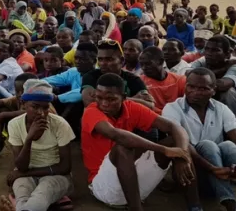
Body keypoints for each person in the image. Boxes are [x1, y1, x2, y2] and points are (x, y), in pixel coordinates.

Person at [82, 73, 197, 210]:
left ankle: (196, 206)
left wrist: (182, 154)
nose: (104, 104)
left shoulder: (131, 107)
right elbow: (116, 135)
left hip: (133, 185)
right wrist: (164, 150)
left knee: (177, 142)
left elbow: (174, 127)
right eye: (99, 98)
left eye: (111, 99)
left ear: (124, 98)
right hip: (104, 188)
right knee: (122, 148)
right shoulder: (91, 111)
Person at [163, 68, 236, 211]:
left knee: (229, 145)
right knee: (208, 145)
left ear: (213, 90)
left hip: (222, 173)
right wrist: (213, 168)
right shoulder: (172, 108)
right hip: (192, 175)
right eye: (191, 86)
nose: (195, 91)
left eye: (203, 88)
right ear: (185, 86)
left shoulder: (221, 108)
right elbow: (181, 143)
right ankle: (231, 204)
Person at [1, 79, 75, 211]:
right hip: (26, 174)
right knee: (23, 192)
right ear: (23, 104)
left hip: (56, 176)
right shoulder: (14, 124)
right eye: (35, 107)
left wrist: (23, 174)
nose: (41, 112)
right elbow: (21, 166)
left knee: (42, 193)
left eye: (45, 107)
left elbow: (65, 167)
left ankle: (18, 207)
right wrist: (29, 139)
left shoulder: (59, 124)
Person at [81, 39, 152, 109]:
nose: (103, 63)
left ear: (121, 60)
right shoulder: (90, 76)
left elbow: (150, 105)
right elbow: (89, 102)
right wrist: (133, 99)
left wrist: (103, 99)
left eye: (109, 59)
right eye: (100, 59)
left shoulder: (133, 79)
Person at [43, 43, 98, 130]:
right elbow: (52, 80)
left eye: (82, 59)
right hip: (72, 110)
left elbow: (81, 93)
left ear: (94, 61)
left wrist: (57, 97)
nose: (77, 62)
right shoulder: (74, 72)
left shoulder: (99, 75)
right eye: (76, 58)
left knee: (76, 103)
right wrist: (40, 84)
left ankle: (61, 128)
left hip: (90, 111)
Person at [190, 35, 236, 120]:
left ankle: (232, 127)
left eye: (215, 50)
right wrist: (223, 69)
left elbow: (222, 85)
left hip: (235, 106)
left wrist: (198, 81)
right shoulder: (202, 61)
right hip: (209, 100)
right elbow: (188, 74)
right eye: (207, 49)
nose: (208, 53)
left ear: (227, 54)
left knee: (228, 92)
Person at [139, 47, 186, 114]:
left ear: (160, 61)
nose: (144, 68)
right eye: (141, 64)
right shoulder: (140, 82)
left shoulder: (179, 80)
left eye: (148, 64)